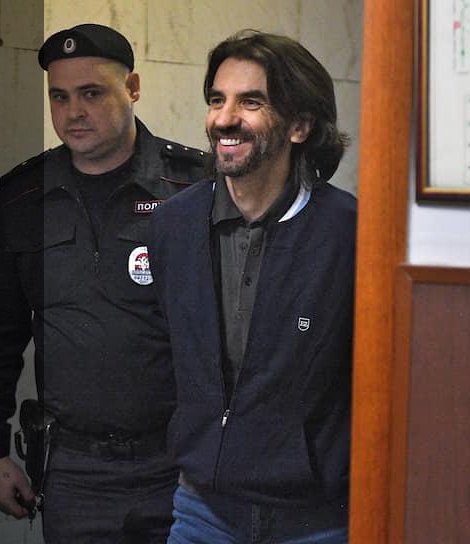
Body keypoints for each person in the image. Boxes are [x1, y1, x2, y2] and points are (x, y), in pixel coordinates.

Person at [0, 23, 206, 543]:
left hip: (182, 465)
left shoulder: (193, 188)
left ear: (132, 88)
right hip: (74, 471)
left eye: (91, 93)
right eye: (60, 96)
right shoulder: (22, 197)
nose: (73, 112)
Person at [148, 30, 355, 544]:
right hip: (202, 511)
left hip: (315, 519)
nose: (224, 118)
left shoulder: (350, 232)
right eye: (217, 100)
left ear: (300, 125)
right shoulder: (174, 225)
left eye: (251, 102)